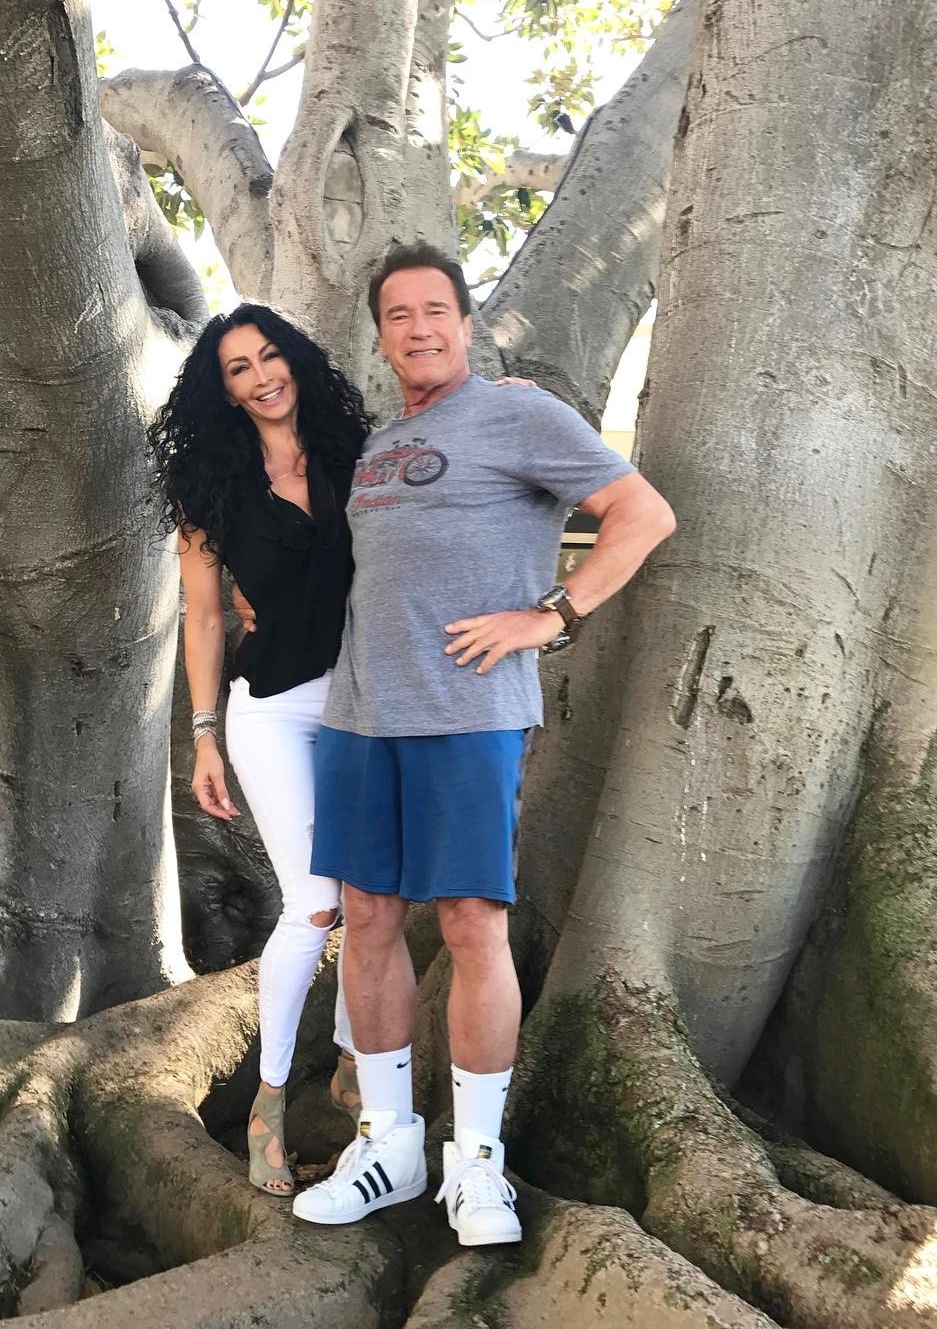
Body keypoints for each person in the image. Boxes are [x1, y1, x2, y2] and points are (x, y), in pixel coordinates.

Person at [291, 244, 677, 1246]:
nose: (418, 328)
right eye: (398, 314)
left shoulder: (519, 415)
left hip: (465, 715)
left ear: (465, 324)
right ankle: (390, 1145)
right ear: (382, 337)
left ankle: (478, 1162)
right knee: (368, 919)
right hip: (360, 715)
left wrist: (551, 615)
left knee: (471, 924)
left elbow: (644, 514)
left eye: (436, 310)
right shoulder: (377, 446)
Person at [148, 304, 372, 1195]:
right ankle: (269, 1098)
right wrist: (204, 735)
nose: (260, 376)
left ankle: (353, 1062)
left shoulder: (357, 456)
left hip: (370, 701)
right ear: (226, 391)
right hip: (274, 707)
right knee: (314, 901)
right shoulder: (213, 488)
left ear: (297, 362)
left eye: (269, 356)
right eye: (238, 368)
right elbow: (205, 617)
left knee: (373, 894)